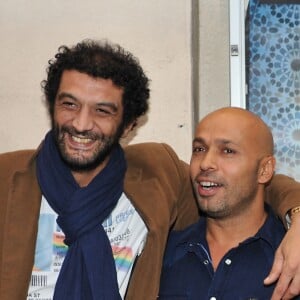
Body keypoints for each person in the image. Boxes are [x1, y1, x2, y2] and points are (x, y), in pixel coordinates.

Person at [0, 40, 299, 300]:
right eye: (70, 104)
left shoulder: (157, 175)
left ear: (129, 125)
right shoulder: (7, 177)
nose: (81, 123)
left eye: (102, 110)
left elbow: (244, 186)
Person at [159, 107, 300, 299]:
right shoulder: (161, 253)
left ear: (264, 170)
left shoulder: (292, 256)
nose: (206, 163)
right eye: (199, 149)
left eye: (227, 151)